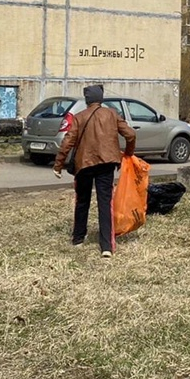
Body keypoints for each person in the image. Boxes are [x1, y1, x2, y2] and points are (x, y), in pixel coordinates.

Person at [54, 84, 136, 257]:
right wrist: (128, 153)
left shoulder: (79, 117)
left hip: (83, 164)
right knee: (105, 203)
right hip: (107, 163)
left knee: (82, 201)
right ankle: (106, 246)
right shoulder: (112, 114)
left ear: (87, 100)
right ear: (101, 98)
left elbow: (68, 141)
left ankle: (78, 238)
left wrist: (58, 164)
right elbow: (131, 134)